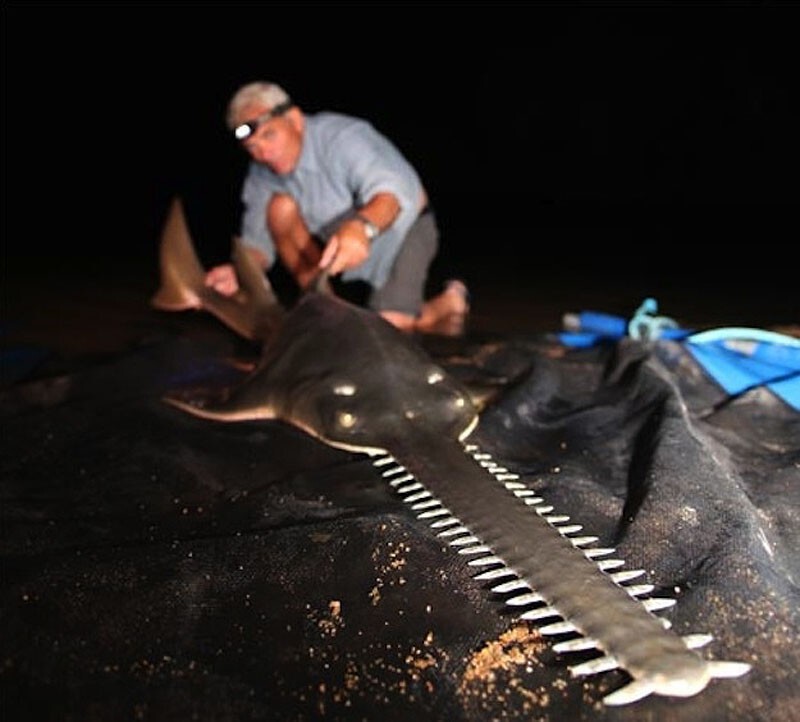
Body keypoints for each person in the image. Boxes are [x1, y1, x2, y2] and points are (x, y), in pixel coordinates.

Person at [204, 81, 469, 335]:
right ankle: (328, 310)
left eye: (269, 135)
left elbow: (392, 194)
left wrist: (361, 227)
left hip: (404, 226)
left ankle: (449, 302)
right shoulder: (261, 173)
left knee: (390, 326)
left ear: (295, 120)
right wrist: (237, 272)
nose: (263, 152)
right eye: (251, 146)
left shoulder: (342, 137)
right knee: (279, 207)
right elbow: (258, 244)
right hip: (342, 242)